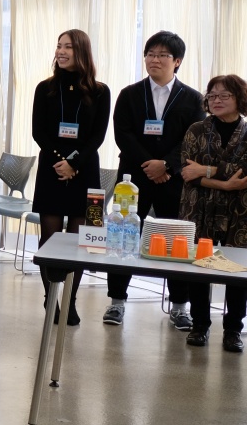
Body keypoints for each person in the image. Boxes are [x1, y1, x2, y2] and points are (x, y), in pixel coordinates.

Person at [103, 31, 205, 328]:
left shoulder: (192, 98)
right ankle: (116, 302)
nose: (154, 60)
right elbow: (123, 134)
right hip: (133, 177)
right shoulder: (130, 94)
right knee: (124, 235)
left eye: (162, 55)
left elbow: (191, 140)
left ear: (177, 61)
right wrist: (149, 165)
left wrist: (166, 166)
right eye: (150, 54)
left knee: (176, 242)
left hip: (173, 180)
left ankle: (179, 306)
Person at [30, 30, 110, 326]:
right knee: (49, 239)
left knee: (79, 242)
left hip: (85, 169)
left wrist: (74, 163)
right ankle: (51, 297)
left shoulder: (100, 91)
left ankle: (70, 301)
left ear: (82, 52)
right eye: (59, 46)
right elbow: (39, 132)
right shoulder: (45, 88)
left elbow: (97, 136)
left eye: (68, 47)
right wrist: (59, 161)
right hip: (51, 168)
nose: (61, 52)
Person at [173, 76, 247, 352]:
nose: (215, 100)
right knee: (199, 267)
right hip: (199, 208)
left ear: (239, 98)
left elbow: (245, 175)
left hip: (239, 213)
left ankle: (233, 330)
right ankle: (199, 325)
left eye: (224, 96)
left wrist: (207, 170)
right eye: (212, 96)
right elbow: (187, 173)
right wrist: (227, 182)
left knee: (238, 271)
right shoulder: (196, 130)